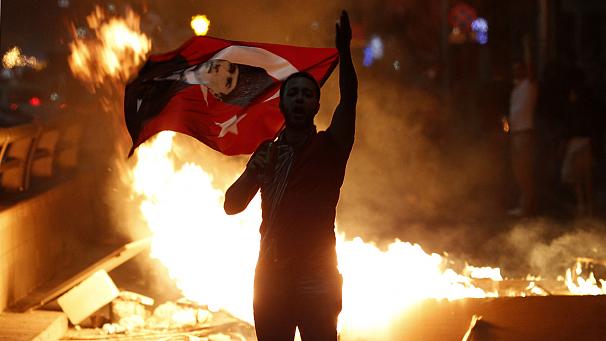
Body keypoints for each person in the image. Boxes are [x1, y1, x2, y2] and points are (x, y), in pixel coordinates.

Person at [223, 10, 357, 341]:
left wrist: (345, 53)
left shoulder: (331, 147)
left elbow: (350, 100)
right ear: (282, 104)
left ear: (315, 106)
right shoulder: (268, 153)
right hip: (271, 276)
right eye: (292, 94)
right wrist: (254, 169)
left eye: (306, 95)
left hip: (318, 275)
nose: (299, 99)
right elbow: (231, 205)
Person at [507, 61, 538, 217]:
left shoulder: (529, 85)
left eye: (519, 69)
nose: (515, 72)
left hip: (525, 132)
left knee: (524, 171)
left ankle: (527, 206)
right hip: (516, 132)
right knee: (519, 171)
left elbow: (533, 73)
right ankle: (524, 204)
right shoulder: (517, 88)